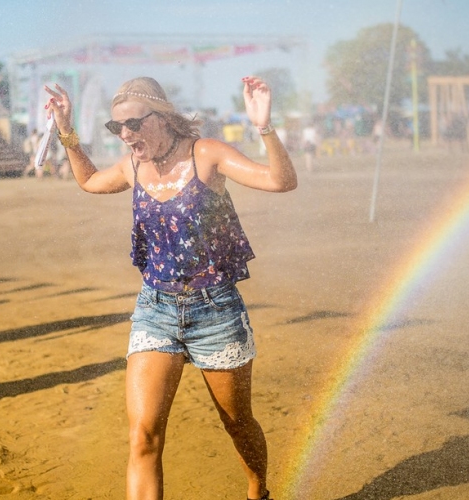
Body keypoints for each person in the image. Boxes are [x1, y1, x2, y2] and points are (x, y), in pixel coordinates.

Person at [44, 75, 296, 500]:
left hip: (215, 310)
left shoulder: (207, 155)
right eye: (116, 128)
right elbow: (88, 181)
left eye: (134, 124)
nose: (125, 135)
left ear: (162, 118)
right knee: (143, 436)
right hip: (155, 308)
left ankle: (258, 489)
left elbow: (280, 181)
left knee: (238, 423)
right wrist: (67, 131)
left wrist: (264, 127)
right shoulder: (133, 166)